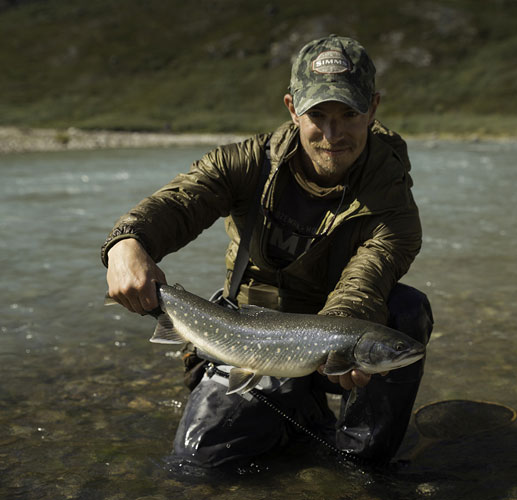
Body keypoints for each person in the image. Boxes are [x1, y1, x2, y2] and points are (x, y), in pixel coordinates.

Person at [101, 35, 433, 466]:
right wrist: (128, 241)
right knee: (198, 464)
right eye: (318, 115)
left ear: (372, 108)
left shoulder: (394, 204)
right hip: (247, 337)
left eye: (348, 114)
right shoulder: (246, 162)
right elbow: (182, 201)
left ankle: (359, 460)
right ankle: (298, 408)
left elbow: (364, 283)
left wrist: (341, 340)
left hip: (334, 339)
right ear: (293, 109)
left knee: (407, 310)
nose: (333, 134)